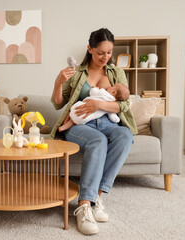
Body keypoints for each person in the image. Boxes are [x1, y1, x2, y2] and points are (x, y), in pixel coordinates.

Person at [50, 28, 137, 235]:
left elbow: (123, 106)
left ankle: (95, 197)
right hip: (81, 125)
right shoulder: (77, 73)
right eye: (100, 53)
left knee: (125, 135)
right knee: (98, 140)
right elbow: (56, 103)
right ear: (89, 49)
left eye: (109, 53)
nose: (105, 57)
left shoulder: (117, 73)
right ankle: (84, 206)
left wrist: (98, 105)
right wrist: (57, 82)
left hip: (108, 122)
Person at [58, 83, 130, 132]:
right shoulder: (112, 103)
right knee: (74, 121)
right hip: (87, 118)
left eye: (112, 86)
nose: (109, 86)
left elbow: (93, 92)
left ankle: (64, 126)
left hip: (81, 107)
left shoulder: (103, 92)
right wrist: (117, 119)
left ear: (114, 92)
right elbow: (112, 116)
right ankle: (64, 127)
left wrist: (94, 88)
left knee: (74, 113)